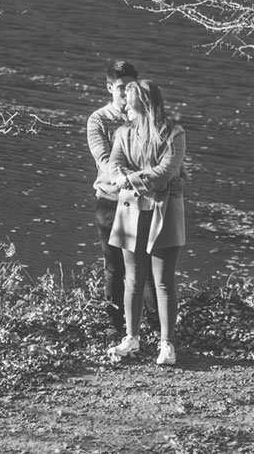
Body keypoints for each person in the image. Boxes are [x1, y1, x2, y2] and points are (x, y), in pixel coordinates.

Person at [105, 79, 186, 366]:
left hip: (164, 212)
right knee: (133, 279)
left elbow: (166, 171)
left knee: (163, 282)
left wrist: (130, 180)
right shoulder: (124, 133)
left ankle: (167, 344)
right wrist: (136, 178)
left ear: (143, 104)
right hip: (130, 212)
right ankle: (132, 338)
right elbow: (114, 165)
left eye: (129, 101)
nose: (124, 106)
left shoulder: (174, 133)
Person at [86, 60, 156, 333]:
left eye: (130, 88)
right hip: (111, 201)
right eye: (119, 88)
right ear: (108, 88)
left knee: (147, 267)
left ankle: (156, 325)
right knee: (114, 267)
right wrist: (136, 178)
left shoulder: (144, 116)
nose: (125, 94)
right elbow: (105, 161)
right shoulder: (99, 120)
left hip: (142, 201)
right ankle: (115, 324)